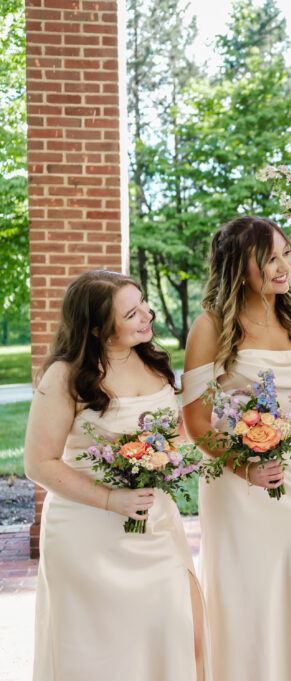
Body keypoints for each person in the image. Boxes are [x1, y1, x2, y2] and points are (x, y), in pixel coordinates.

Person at [181, 216, 291, 681]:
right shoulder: (211, 328)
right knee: (256, 617)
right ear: (240, 268)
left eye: (286, 254)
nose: (283, 267)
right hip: (244, 487)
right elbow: (194, 421)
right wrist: (245, 467)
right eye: (269, 258)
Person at [25, 270, 207, 680]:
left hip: (154, 522)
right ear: (95, 328)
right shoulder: (66, 375)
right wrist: (111, 499)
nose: (147, 316)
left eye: (143, 303)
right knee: (101, 654)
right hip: (88, 533)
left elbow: (173, 433)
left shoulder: (153, 360)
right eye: (131, 314)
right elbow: (38, 463)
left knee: (186, 635)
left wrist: (172, 455)